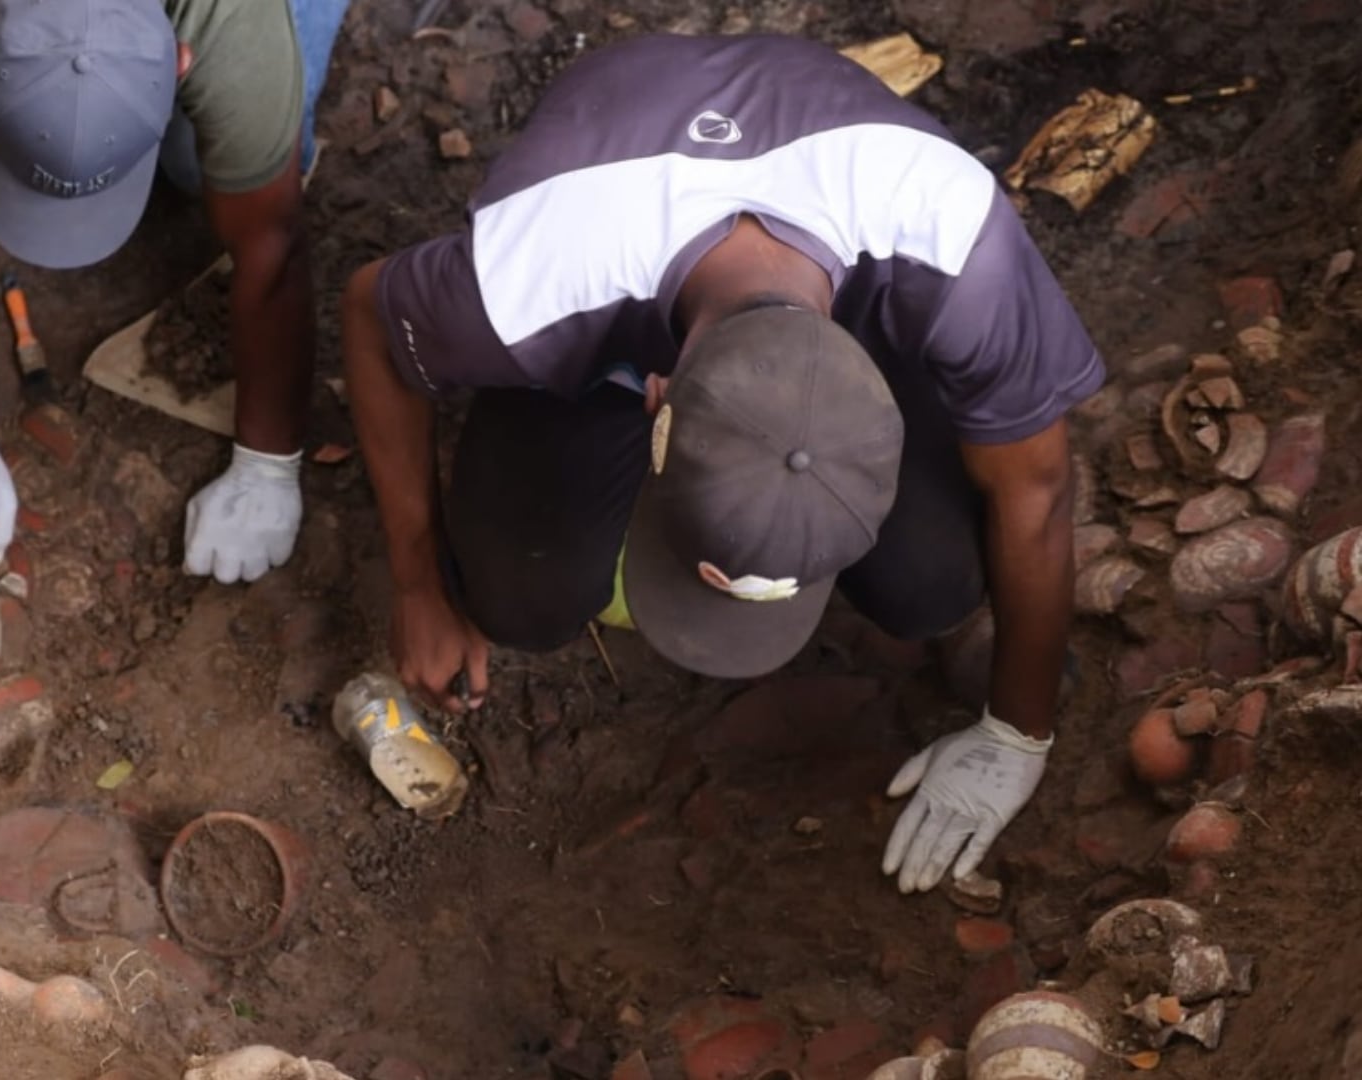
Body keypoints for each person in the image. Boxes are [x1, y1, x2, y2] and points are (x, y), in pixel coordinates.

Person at [340, 33, 1106, 894]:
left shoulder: (959, 252)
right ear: (656, 399)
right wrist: (416, 581)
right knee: (523, 596)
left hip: (829, 252)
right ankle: (569, 429)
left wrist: (1017, 732)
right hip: (613, 207)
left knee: (933, 583)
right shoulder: (531, 284)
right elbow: (371, 316)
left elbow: (1035, 491)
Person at [0, 0, 351, 603]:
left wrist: (268, 462)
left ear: (181, 62)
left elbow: (271, 240)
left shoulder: (232, 18)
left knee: (193, 163)